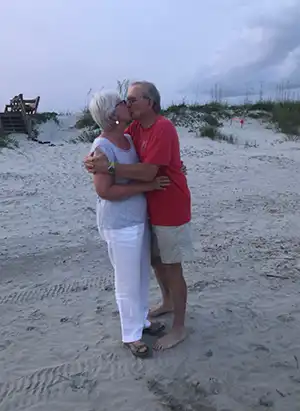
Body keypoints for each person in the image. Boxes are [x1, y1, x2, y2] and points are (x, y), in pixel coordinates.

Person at [85, 81, 193, 350]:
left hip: (167, 206)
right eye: (125, 101)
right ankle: (156, 311)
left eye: (132, 99)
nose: (128, 103)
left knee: (169, 266)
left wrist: (110, 166)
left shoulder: (158, 128)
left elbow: (147, 172)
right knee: (151, 264)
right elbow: (106, 183)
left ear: (150, 103)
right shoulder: (131, 130)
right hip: (140, 212)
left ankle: (178, 328)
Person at [88, 90, 167, 358]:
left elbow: (149, 162)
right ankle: (131, 334)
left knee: (141, 274)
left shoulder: (129, 139)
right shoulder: (102, 147)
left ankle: (141, 320)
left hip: (137, 218)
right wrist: (147, 186)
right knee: (127, 280)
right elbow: (105, 191)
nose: (127, 104)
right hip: (119, 222)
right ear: (112, 114)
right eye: (122, 102)